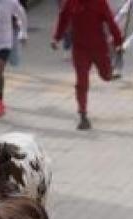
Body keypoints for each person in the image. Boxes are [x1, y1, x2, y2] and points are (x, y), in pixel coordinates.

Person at [52, 0, 122, 130]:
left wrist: (118, 42)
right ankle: (83, 115)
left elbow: (110, 21)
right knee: (81, 82)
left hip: (99, 48)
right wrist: (56, 38)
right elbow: (63, 19)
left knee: (105, 76)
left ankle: (109, 73)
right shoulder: (71, 2)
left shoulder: (99, 2)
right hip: (80, 49)